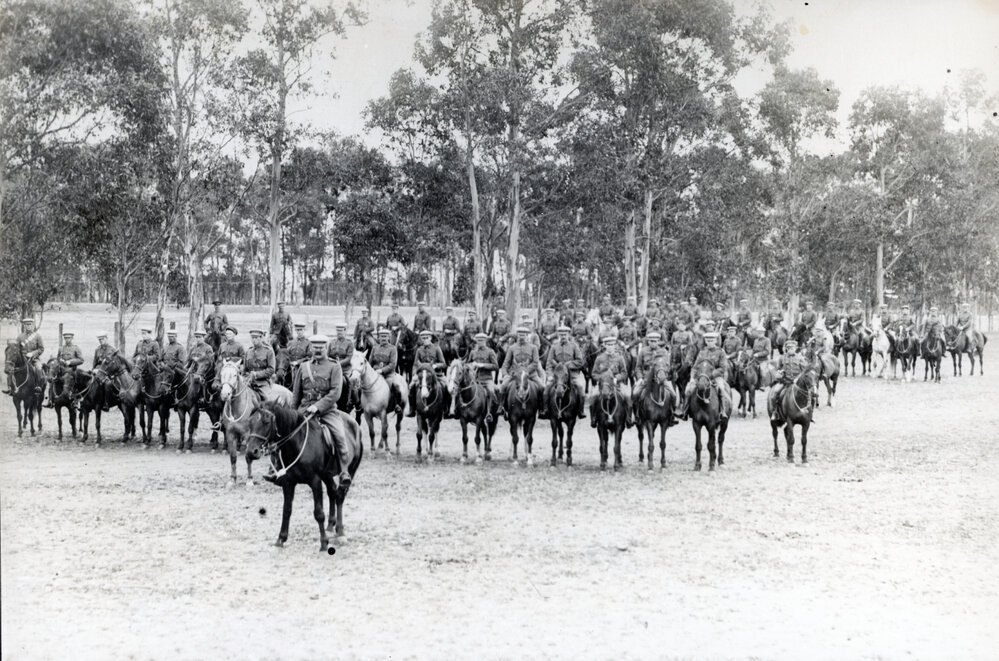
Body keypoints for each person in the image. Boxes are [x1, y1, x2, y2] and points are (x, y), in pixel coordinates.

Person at [289, 335, 352, 492]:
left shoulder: (334, 366)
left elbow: (335, 392)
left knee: (340, 437)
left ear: (326, 348)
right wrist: (292, 413)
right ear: (311, 348)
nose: (317, 350)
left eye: (321, 348)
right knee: (284, 433)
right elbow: (296, 393)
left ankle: (344, 471)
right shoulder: (303, 367)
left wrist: (318, 407)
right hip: (304, 409)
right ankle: (277, 466)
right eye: (315, 347)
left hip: (327, 411)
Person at [674, 328, 731, 421]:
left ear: (716, 341)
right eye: (708, 340)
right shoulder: (702, 352)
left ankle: (722, 411)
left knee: (721, 388)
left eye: (712, 340)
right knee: (688, 389)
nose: (710, 342)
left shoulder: (720, 352)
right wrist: (692, 377)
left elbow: (723, 367)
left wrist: (713, 374)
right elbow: (695, 367)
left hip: (715, 377)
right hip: (701, 378)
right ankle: (685, 411)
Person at [498, 326, 545, 417]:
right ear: (517, 336)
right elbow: (506, 363)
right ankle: (501, 407)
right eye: (520, 335)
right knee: (503, 386)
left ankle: (542, 409)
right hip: (515, 374)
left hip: (530, 374)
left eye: (523, 335)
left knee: (542, 387)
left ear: (527, 336)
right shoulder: (512, 348)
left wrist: (526, 371)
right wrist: (505, 374)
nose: (521, 337)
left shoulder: (533, 347)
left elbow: (535, 362)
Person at [588, 334, 632, 427]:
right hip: (603, 385)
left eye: (612, 345)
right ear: (604, 345)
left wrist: (617, 378)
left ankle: (628, 419)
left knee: (627, 396)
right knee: (593, 397)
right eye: (608, 344)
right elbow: (594, 373)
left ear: (615, 345)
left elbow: (624, 373)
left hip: (617, 385)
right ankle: (594, 418)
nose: (610, 347)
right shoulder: (599, 358)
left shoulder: (619, 358)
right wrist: (602, 379)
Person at [631, 331, 674, 424]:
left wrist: (663, 375)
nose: (653, 343)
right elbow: (638, 367)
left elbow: (668, 366)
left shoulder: (663, 352)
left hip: (660, 378)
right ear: (648, 341)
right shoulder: (643, 351)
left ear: (658, 341)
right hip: (646, 378)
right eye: (651, 341)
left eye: (655, 341)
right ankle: (637, 415)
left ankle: (671, 415)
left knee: (673, 394)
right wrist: (640, 378)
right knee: (635, 393)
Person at [544, 325, 586, 419]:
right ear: (558, 335)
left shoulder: (574, 346)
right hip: (557, 375)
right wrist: (550, 375)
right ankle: (545, 410)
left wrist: (569, 364)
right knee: (546, 389)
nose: (563, 336)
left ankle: (580, 411)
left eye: (565, 334)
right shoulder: (554, 347)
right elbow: (549, 363)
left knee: (580, 388)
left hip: (572, 374)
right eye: (561, 334)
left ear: (568, 335)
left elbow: (580, 361)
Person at [767, 339, 812, 422]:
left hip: (797, 383)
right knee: (774, 394)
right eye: (789, 348)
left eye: (792, 348)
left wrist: (798, 378)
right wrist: (779, 372)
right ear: (786, 349)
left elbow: (804, 371)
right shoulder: (782, 358)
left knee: (809, 393)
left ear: (795, 348)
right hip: (785, 382)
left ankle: (809, 414)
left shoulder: (800, 358)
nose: (791, 349)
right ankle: (775, 412)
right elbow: (778, 368)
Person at [408, 330, 447, 417]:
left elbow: (444, 364)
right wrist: (415, 373)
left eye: (427, 338)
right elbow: (415, 364)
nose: (425, 340)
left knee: (446, 386)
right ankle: (412, 409)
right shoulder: (419, 350)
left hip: (436, 375)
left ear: (430, 338)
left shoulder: (437, 348)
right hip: (422, 375)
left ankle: (446, 409)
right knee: (411, 387)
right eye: (423, 338)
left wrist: (436, 366)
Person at [369, 328, 406, 414]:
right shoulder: (375, 348)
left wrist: (381, 370)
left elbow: (393, 364)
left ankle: (397, 405)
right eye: (381, 336)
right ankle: (360, 404)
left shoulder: (393, 349)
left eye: (385, 336)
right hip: (375, 373)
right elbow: (370, 362)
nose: (383, 338)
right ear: (379, 337)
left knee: (395, 385)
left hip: (388, 374)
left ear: (388, 337)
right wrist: (372, 371)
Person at [44, 332, 84, 407]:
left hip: (71, 369)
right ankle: (50, 400)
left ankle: (76, 399)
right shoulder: (61, 348)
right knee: (52, 378)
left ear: (72, 338)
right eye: (66, 338)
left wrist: (70, 362)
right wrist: (60, 361)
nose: (67, 340)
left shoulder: (76, 348)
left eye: (69, 338)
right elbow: (58, 358)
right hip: (61, 369)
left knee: (73, 379)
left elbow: (81, 360)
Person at [244, 329, 276, 399]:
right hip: (248, 383)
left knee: (267, 400)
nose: (254, 340)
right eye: (252, 338)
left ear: (261, 338)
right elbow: (244, 369)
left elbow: (271, 369)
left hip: (262, 383)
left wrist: (256, 374)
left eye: (256, 337)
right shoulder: (248, 351)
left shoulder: (268, 351)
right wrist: (246, 378)